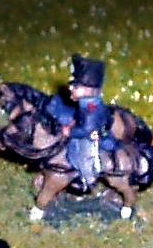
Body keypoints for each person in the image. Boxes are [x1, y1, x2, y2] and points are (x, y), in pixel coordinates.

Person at [44, 54, 115, 190]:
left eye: (75, 87)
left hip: (91, 136)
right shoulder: (84, 104)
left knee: (83, 157)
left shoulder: (91, 109)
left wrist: (69, 131)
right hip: (86, 130)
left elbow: (86, 130)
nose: (71, 89)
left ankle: (87, 180)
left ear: (88, 90)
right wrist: (73, 123)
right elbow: (80, 118)